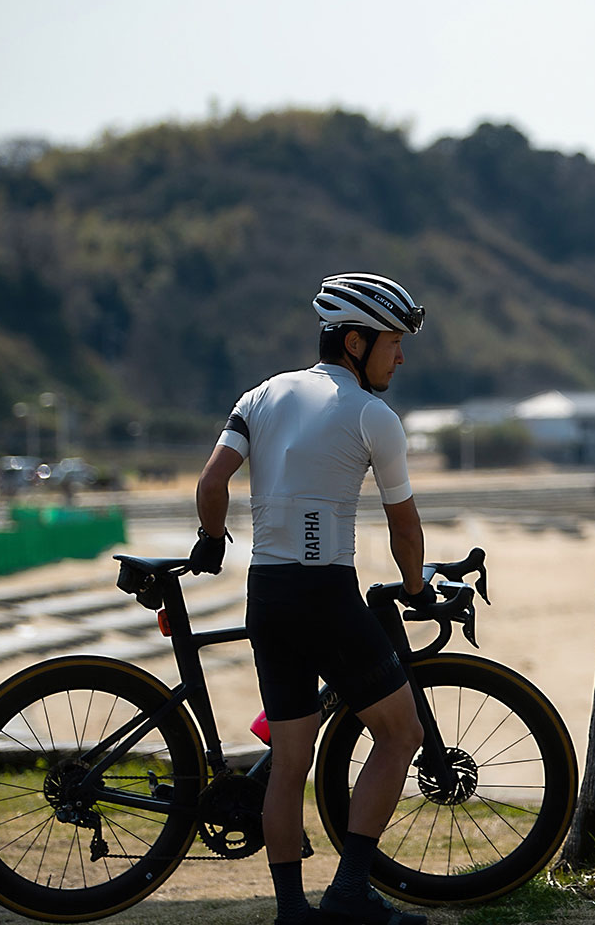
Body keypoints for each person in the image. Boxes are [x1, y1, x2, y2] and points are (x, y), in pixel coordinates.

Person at [192, 272, 433, 925]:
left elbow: (212, 483)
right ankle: (351, 891)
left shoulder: (262, 394)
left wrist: (212, 541)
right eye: (392, 342)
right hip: (324, 594)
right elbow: (404, 525)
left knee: (290, 760)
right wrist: (415, 588)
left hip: (266, 594)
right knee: (401, 730)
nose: (400, 356)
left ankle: (292, 911)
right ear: (355, 341)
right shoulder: (372, 416)